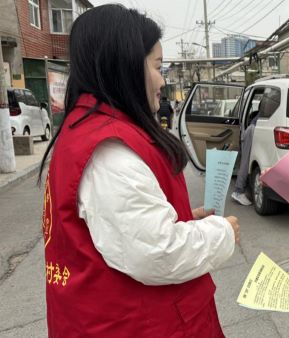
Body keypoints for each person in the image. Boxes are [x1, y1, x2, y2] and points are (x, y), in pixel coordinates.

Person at [38, 5, 239, 337]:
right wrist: (222, 233)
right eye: (157, 66)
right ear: (127, 66)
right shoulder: (109, 152)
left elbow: (129, 227)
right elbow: (157, 252)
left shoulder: (90, 131)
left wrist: (185, 217)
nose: (162, 80)